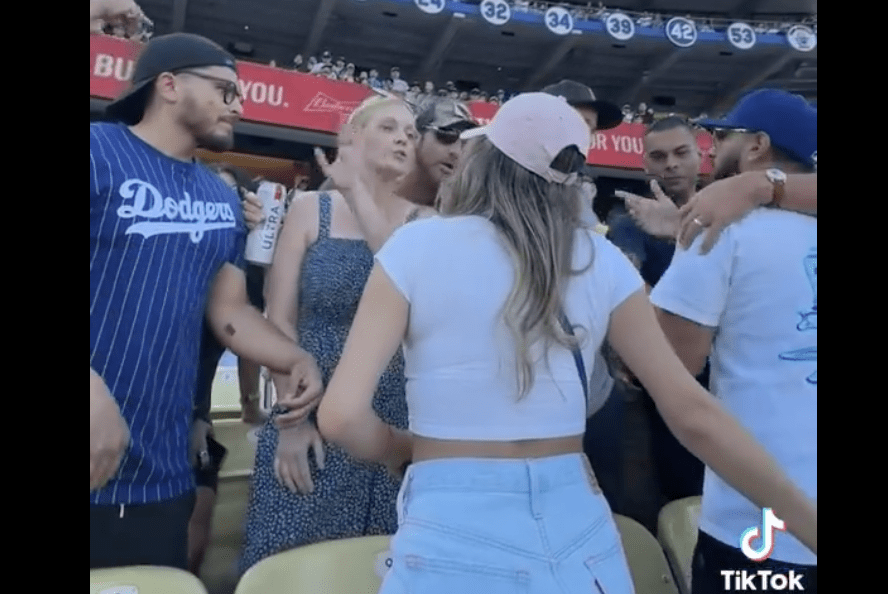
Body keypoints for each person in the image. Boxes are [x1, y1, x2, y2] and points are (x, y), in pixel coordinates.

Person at [316, 92, 816, 593]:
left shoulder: (415, 248)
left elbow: (340, 417)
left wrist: (402, 448)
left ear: (486, 159)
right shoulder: (600, 258)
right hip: (579, 535)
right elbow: (692, 413)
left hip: (449, 525)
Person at [90, 32, 322, 571]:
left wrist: (291, 356)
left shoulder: (219, 196)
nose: (238, 105)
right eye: (223, 89)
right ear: (168, 86)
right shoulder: (98, 151)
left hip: (160, 470)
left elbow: (230, 310)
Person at [237, 96, 436, 575]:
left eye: (411, 133)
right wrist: (290, 421)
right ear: (352, 136)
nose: (403, 139)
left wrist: (361, 200)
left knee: (383, 571)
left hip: (394, 430)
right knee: (292, 568)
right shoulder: (309, 210)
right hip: (308, 415)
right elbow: (279, 320)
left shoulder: (427, 222)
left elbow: (417, 302)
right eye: (389, 127)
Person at [650, 89, 817, 593]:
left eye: (723, 135)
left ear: (756, 145)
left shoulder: (720, 225)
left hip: (759, 522)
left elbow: (671, 363)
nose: (710, 145)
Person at [609, 117, 708, 517]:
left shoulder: (730, 214)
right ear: (645, 165)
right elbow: (631, 294)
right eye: (659, 156)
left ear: (700, 155)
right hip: (665, 388)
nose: (671, 164)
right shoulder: (627, 225)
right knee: (679, 499)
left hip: (730, 382)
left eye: (681, 153)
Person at [540, 79, 629, 514]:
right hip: (533, 396)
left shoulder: (582, 194)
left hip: (595, 392)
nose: (584, 135)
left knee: (610, 509)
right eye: (576, 121)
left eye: (590, 127)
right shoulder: (501, 195)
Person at [397, 98, 477, 208]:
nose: (456, 152)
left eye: (466, 144)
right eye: (446, 136)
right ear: (416, 136)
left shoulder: (464, 213)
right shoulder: (376, 191)